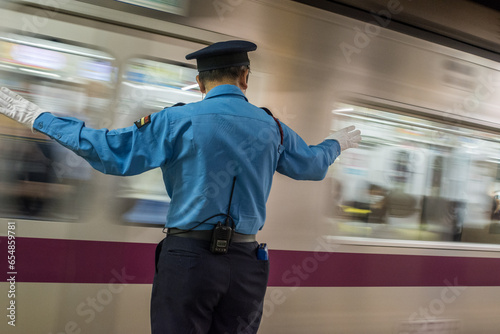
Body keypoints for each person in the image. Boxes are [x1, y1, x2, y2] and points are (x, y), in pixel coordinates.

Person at [0, 40, 361, 334]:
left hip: (188, 260)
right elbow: (312, 166)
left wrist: (38, 118)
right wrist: (336, 144)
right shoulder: (274, 128)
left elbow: (110, 151)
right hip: (247, 266)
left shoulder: (176, 120)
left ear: (200, 83)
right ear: (245, 77)